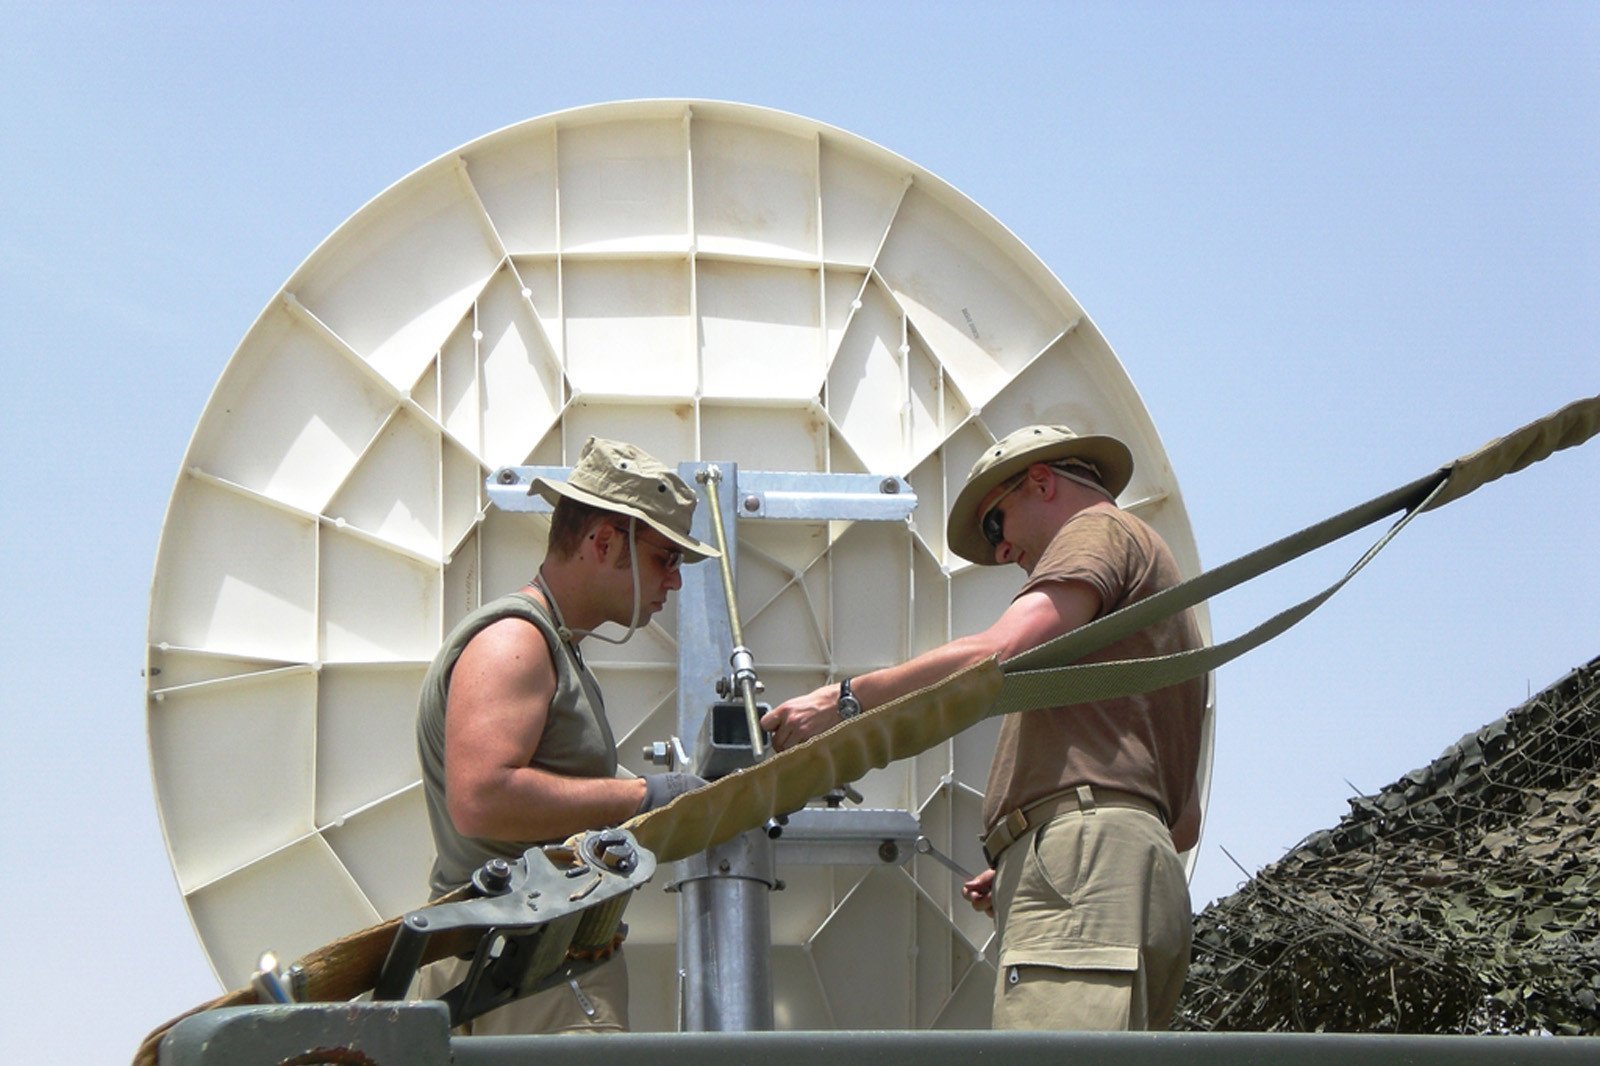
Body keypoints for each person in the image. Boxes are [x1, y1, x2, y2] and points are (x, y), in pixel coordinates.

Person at [761, 424, 1205, 1030]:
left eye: (996, 524)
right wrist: (1038, 853)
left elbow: (995, 653)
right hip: (1134, 869)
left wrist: (843, 702)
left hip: (1090, 861)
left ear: (1042, 482)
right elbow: (1183, 824)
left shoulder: (1095, 532)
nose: (1001, 553)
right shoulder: (1162, 604)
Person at [414, 436, 718, 1033]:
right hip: (529, 982)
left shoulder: (555, 647)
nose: (675, 582)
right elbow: (482, 799)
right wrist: (644, 797)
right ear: (603, 542)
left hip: (527, 976)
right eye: (665, 558)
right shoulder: (516, 642)